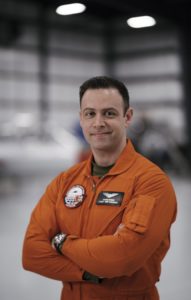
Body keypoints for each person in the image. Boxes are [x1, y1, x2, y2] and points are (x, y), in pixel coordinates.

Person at [22, 76, 177, 300]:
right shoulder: (64, 182)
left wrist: (61, 241)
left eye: (109, 113)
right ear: (81, 119)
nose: (98, 123)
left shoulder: (151, 182)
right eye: (90, 113)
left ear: (128, 117)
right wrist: (86, 272)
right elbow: (31, 254)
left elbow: (123, 257)